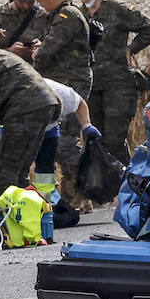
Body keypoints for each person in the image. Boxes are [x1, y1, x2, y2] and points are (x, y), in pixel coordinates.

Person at [76, 0, 150, 167]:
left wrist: (131, 49)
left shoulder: (117, 9)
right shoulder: (80, 14)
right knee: (95, 139)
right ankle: (102, 190)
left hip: (119, 85)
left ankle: (125, 185)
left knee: (114, 141)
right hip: (92, 84)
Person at [30, 0, 94, 212]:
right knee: (62, 142)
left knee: (66, 142)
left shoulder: (67, 16)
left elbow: (48, 51)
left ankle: (79, 194)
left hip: (70, 84)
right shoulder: (60, 15)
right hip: (64, 82)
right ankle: (73, 193)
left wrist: (37, 54)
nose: (39, 2)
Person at [0, 49, 60, 195]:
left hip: (26, 104)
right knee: (20, 168)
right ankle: (26, 210)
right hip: (42, 102)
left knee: (5, 166)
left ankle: (7, 211)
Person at [33, 78, 100, 206]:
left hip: (50, 129)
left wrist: (87, 125)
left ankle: (45, 203)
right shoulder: (20, 96)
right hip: (22, 125)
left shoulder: (63, 94)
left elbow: (80, 103)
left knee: (45, 170)